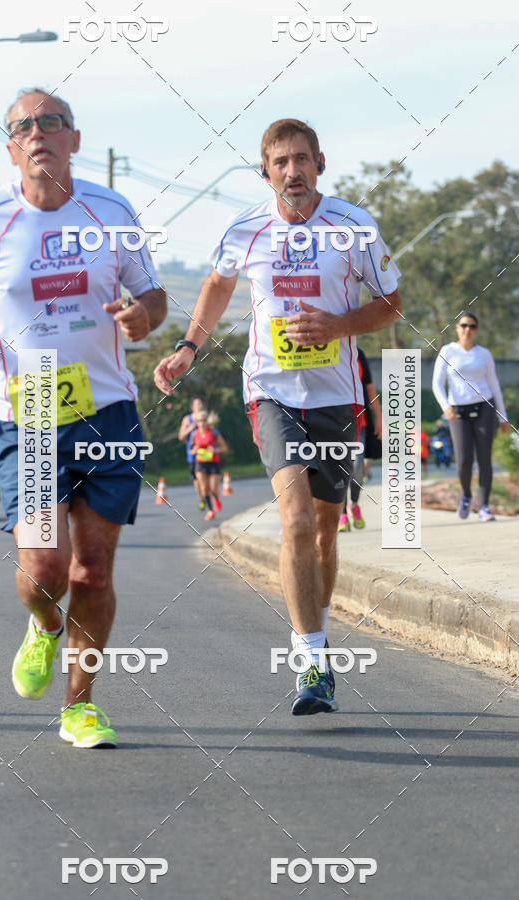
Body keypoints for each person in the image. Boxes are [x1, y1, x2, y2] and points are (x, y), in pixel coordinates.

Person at [0, 88, 167, 748]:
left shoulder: (111, 209)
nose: (36, 132)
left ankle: (80, 704)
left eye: (49, 122)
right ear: (12, 147)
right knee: (44, 568)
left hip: (108, 408)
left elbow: (152, 294)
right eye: (22, 126)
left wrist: (143, 316)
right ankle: (42, 627)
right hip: (30, 407)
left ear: (73, 139)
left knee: (92, 571)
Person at [154, 118, 402, 715]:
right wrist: (189, 346)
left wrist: (339, 325)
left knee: (321, 530)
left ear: (321, 162)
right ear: (264, 171)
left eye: (301, 160)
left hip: (337, 397)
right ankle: (311, 659)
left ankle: (317, 638)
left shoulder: (353, 227)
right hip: (271, 392)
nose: (292, 171)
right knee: (293, 520)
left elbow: (393, 305)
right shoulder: (246, 230)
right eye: (280, 162)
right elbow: (216, 285)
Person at [432, 311, 509, 521]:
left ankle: (484, 506)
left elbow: (494, 385)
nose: (468, 330)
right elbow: (437, 384)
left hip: (485, 407)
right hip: (458, 412)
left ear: (476, 330)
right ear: (457, 328)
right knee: (464, 460)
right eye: (464, 325)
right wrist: (446, 406)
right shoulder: (448, 351)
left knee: (484, 459)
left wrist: (503, 417)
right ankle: (466, 495)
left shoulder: (483, 354)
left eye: (472, 326)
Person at [338, 346, 382, 532]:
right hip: (334, 422)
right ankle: (341, 514)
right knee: (338, 469)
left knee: (356, 467)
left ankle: (354, 504)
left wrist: (379, 417)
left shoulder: (358, 353)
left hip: (359, 422)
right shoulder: (322, 350)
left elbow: (369, 387)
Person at [190, 409, 228, 519]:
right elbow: (191, 450)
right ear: (197, 422)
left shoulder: (214, 432)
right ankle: (211, 510)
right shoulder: (194, 434)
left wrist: (215, 450)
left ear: (207, 421)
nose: (201, 423)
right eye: (199, 421)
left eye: (204, 420)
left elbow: (224, 447)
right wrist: (195, 450)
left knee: (213, 489)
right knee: (204, 488)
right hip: (200, 464)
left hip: (213, 463)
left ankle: (216, 498)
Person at [178, 396, 206, 510]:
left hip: (205, 452)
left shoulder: (205, 418)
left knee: (205, 476)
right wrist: (190, 428)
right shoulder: (187, 419)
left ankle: (207, 496)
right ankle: (201, 499)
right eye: (197, 404)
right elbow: (181, 436)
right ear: (192, 407)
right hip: (192, 454)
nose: (199, 406)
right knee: (196, 479)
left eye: (201, 403)